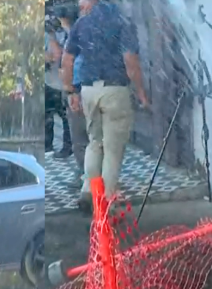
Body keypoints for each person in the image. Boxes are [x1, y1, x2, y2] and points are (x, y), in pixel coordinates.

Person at [61, 0, 149, 212]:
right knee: (112, 149)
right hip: (114, 90)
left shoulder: (82, 24)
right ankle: (105, 204)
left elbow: (67, 60)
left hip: (89, 91)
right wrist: (141, 93)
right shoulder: (120, 22)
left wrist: (71, 91)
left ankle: (89, 190)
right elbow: (131, 62)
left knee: (95, 143)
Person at [53, 4, 89, 188]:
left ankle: (86, 176)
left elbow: (70, 63)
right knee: (90, 137)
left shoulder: (74, 36)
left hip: (78, 91)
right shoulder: (85, 32)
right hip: (87, 89)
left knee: (80, 139)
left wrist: (71, 91)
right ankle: (90, 174)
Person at [45, 17, 72, 156]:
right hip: (51, 81)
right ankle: (48, 146)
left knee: (65, 116)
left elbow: (57, 55)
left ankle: (67, 148)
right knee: (48, 115)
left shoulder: (66, 33)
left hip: (60, 83)